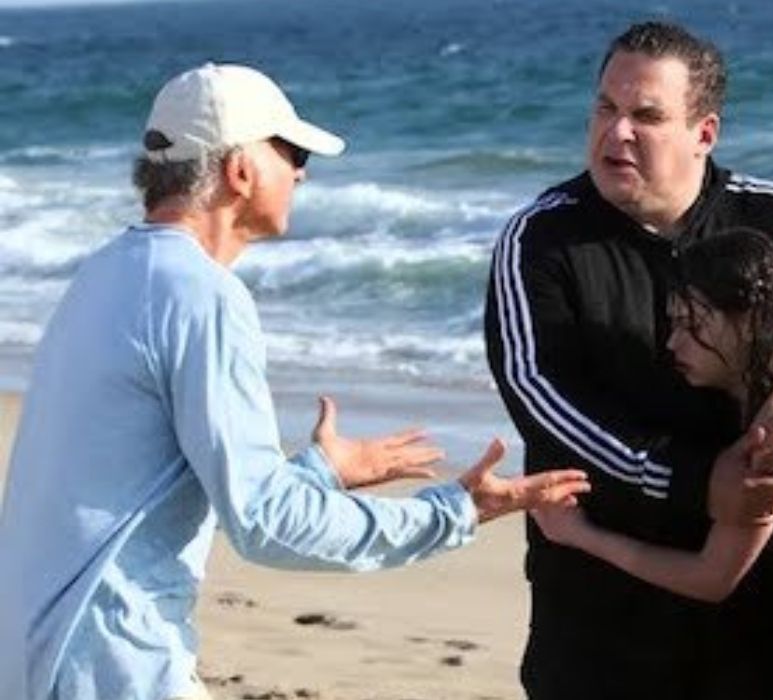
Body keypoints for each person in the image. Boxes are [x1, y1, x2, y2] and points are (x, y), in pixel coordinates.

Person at [0, 63, 589, 700]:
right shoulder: (203, 296)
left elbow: (159, 489)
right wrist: (458, 511)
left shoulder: (107, 272)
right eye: (293, 152)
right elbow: (266, 525)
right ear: (240, 170)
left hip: (38, 654)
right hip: (112, 668)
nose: (303, 171)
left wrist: (316, 474)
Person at [484, 21, 773, 700]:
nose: (616, 134)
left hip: (768, 606)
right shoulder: (542, 238)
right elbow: (542, 398)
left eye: (646, 115)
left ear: (705, 132)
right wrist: (692, 479)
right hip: (601, 610)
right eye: (605, 109)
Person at [531, 229, 773, 699]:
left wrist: (581, 535)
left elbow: (713, 577)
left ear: (747, 321)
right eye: (674, 322)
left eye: (693, 323)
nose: (673, 343)